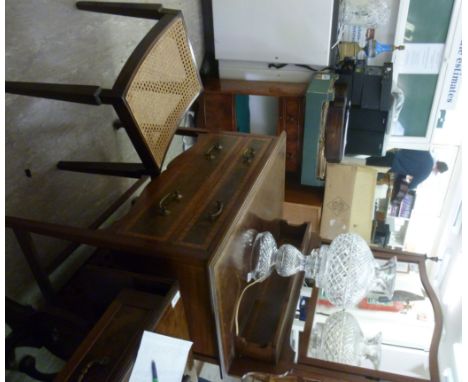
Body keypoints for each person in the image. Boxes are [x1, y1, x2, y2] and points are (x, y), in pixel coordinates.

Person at [366, 149, 448, 189]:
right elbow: (411, 185)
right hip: (389, 166)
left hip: (391, 153)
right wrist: (406, 177)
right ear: (437, 170)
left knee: (364, 158)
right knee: (362, 170)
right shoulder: (426, 171)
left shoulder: (427, 152)